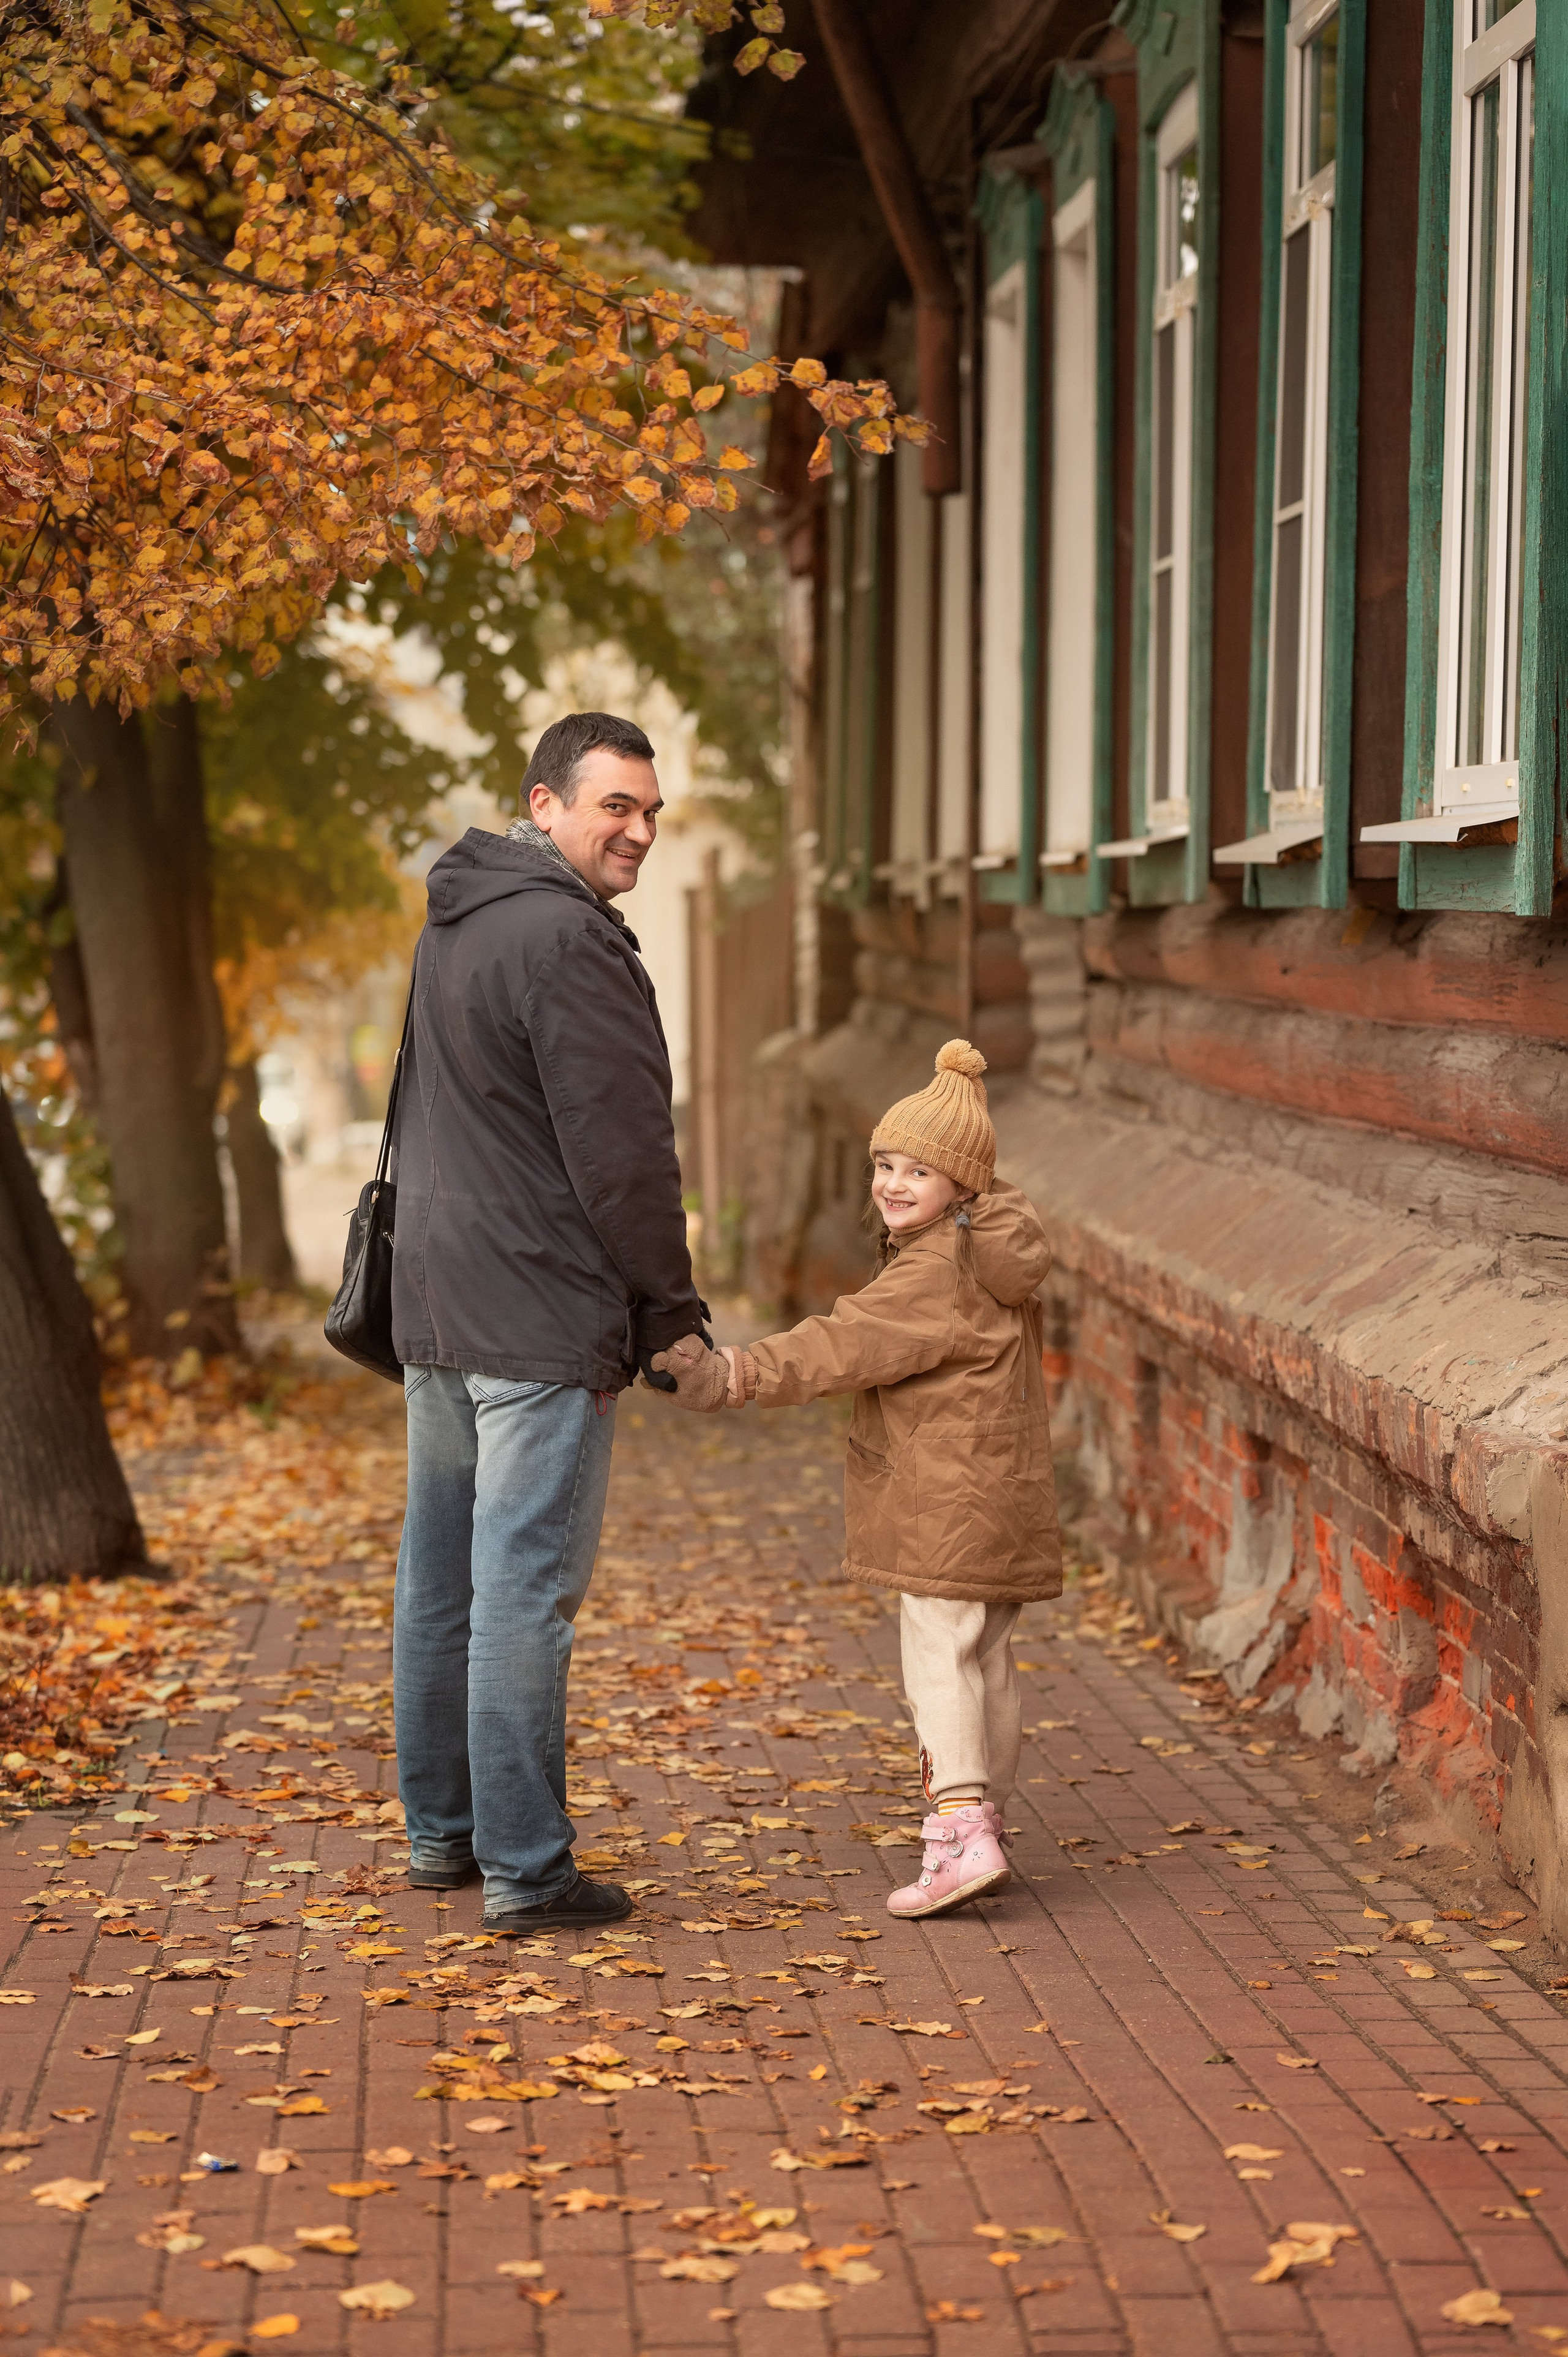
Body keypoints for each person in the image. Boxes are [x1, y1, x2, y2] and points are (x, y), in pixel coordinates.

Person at [389, 711, 711, 1932]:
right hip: (532, 1318)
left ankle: (444, 1838)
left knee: (443, 1587)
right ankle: (526, 1868)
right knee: (520, 1594)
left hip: (441, 1303)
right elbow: (624, 1160)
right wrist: (666, 1318)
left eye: (648, 809)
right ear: (543, 804)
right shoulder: (574, 945)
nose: (635, 829)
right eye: (612, 806)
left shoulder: (455, 926)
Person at [650, 1041, 1061, 1918]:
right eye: (884, 1163)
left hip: (944, 1500)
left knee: (937, 1657)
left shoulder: (935, 1272)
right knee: (986, 1658)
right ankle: (984, 1821)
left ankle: (957, 1832)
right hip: (1002, 1495)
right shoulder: (991, 1250)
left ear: (963, 1185)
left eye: (920, 1169)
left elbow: (843, 1342)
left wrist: (736, 1373)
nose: (893, 1183)